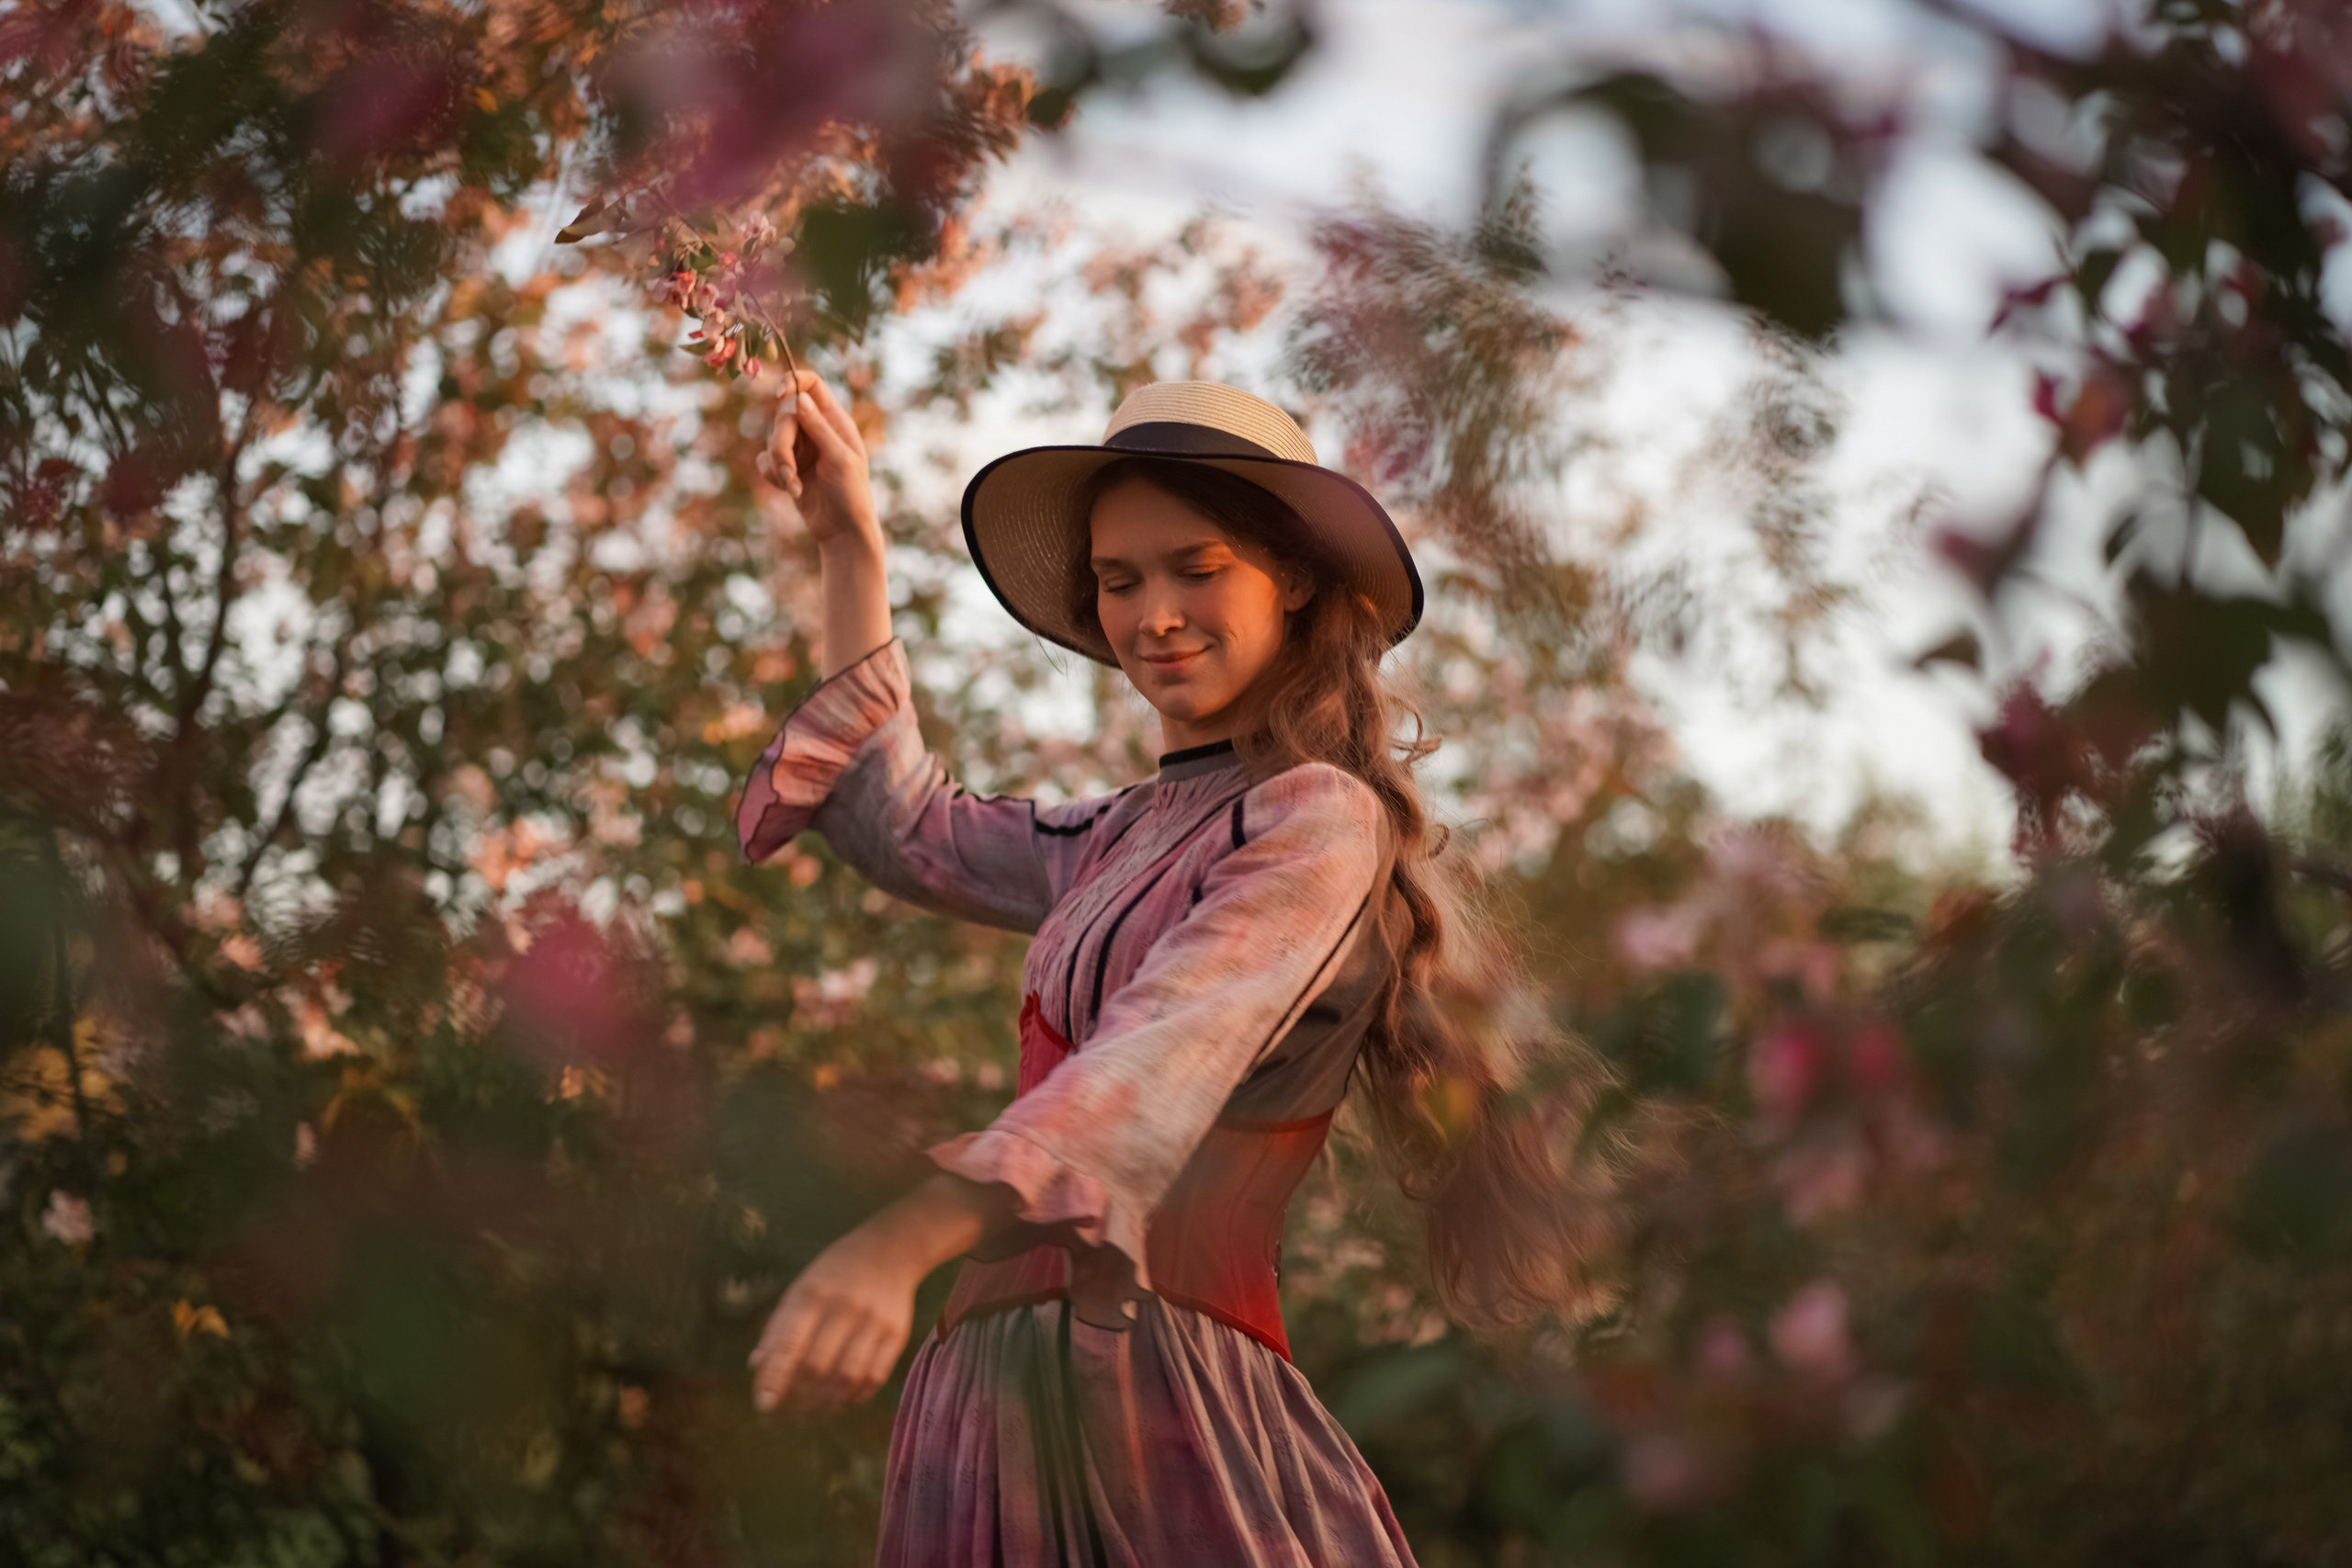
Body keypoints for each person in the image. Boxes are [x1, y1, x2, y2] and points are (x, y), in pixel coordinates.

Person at [735, 371, 1600, 1566]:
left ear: (1291, 577)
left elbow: (1143, 1074)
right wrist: (851, 542)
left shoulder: (1313, 822)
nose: (1154, 615)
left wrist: (899, 1240)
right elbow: (902, 828)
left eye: (1197, 569)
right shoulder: (1112, 836)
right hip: (985, 1389)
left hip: (1154, 1389)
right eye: (1120, 580)